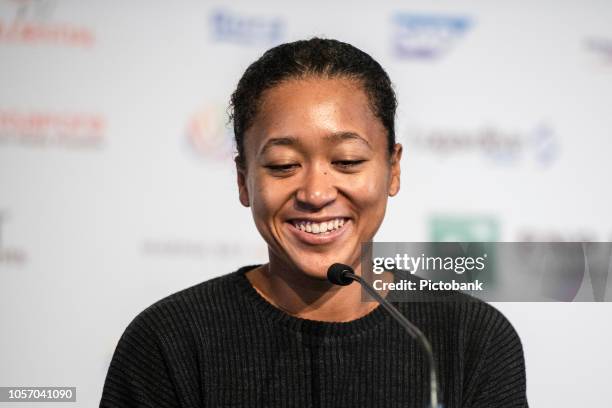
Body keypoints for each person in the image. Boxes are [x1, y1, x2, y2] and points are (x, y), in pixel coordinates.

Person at [100, 38, 528, 408]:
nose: (316, 193)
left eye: (346, 161)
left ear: (392, 169)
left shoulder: (469, 338)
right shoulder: (169, 341)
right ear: (242, 179)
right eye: (283, 165)